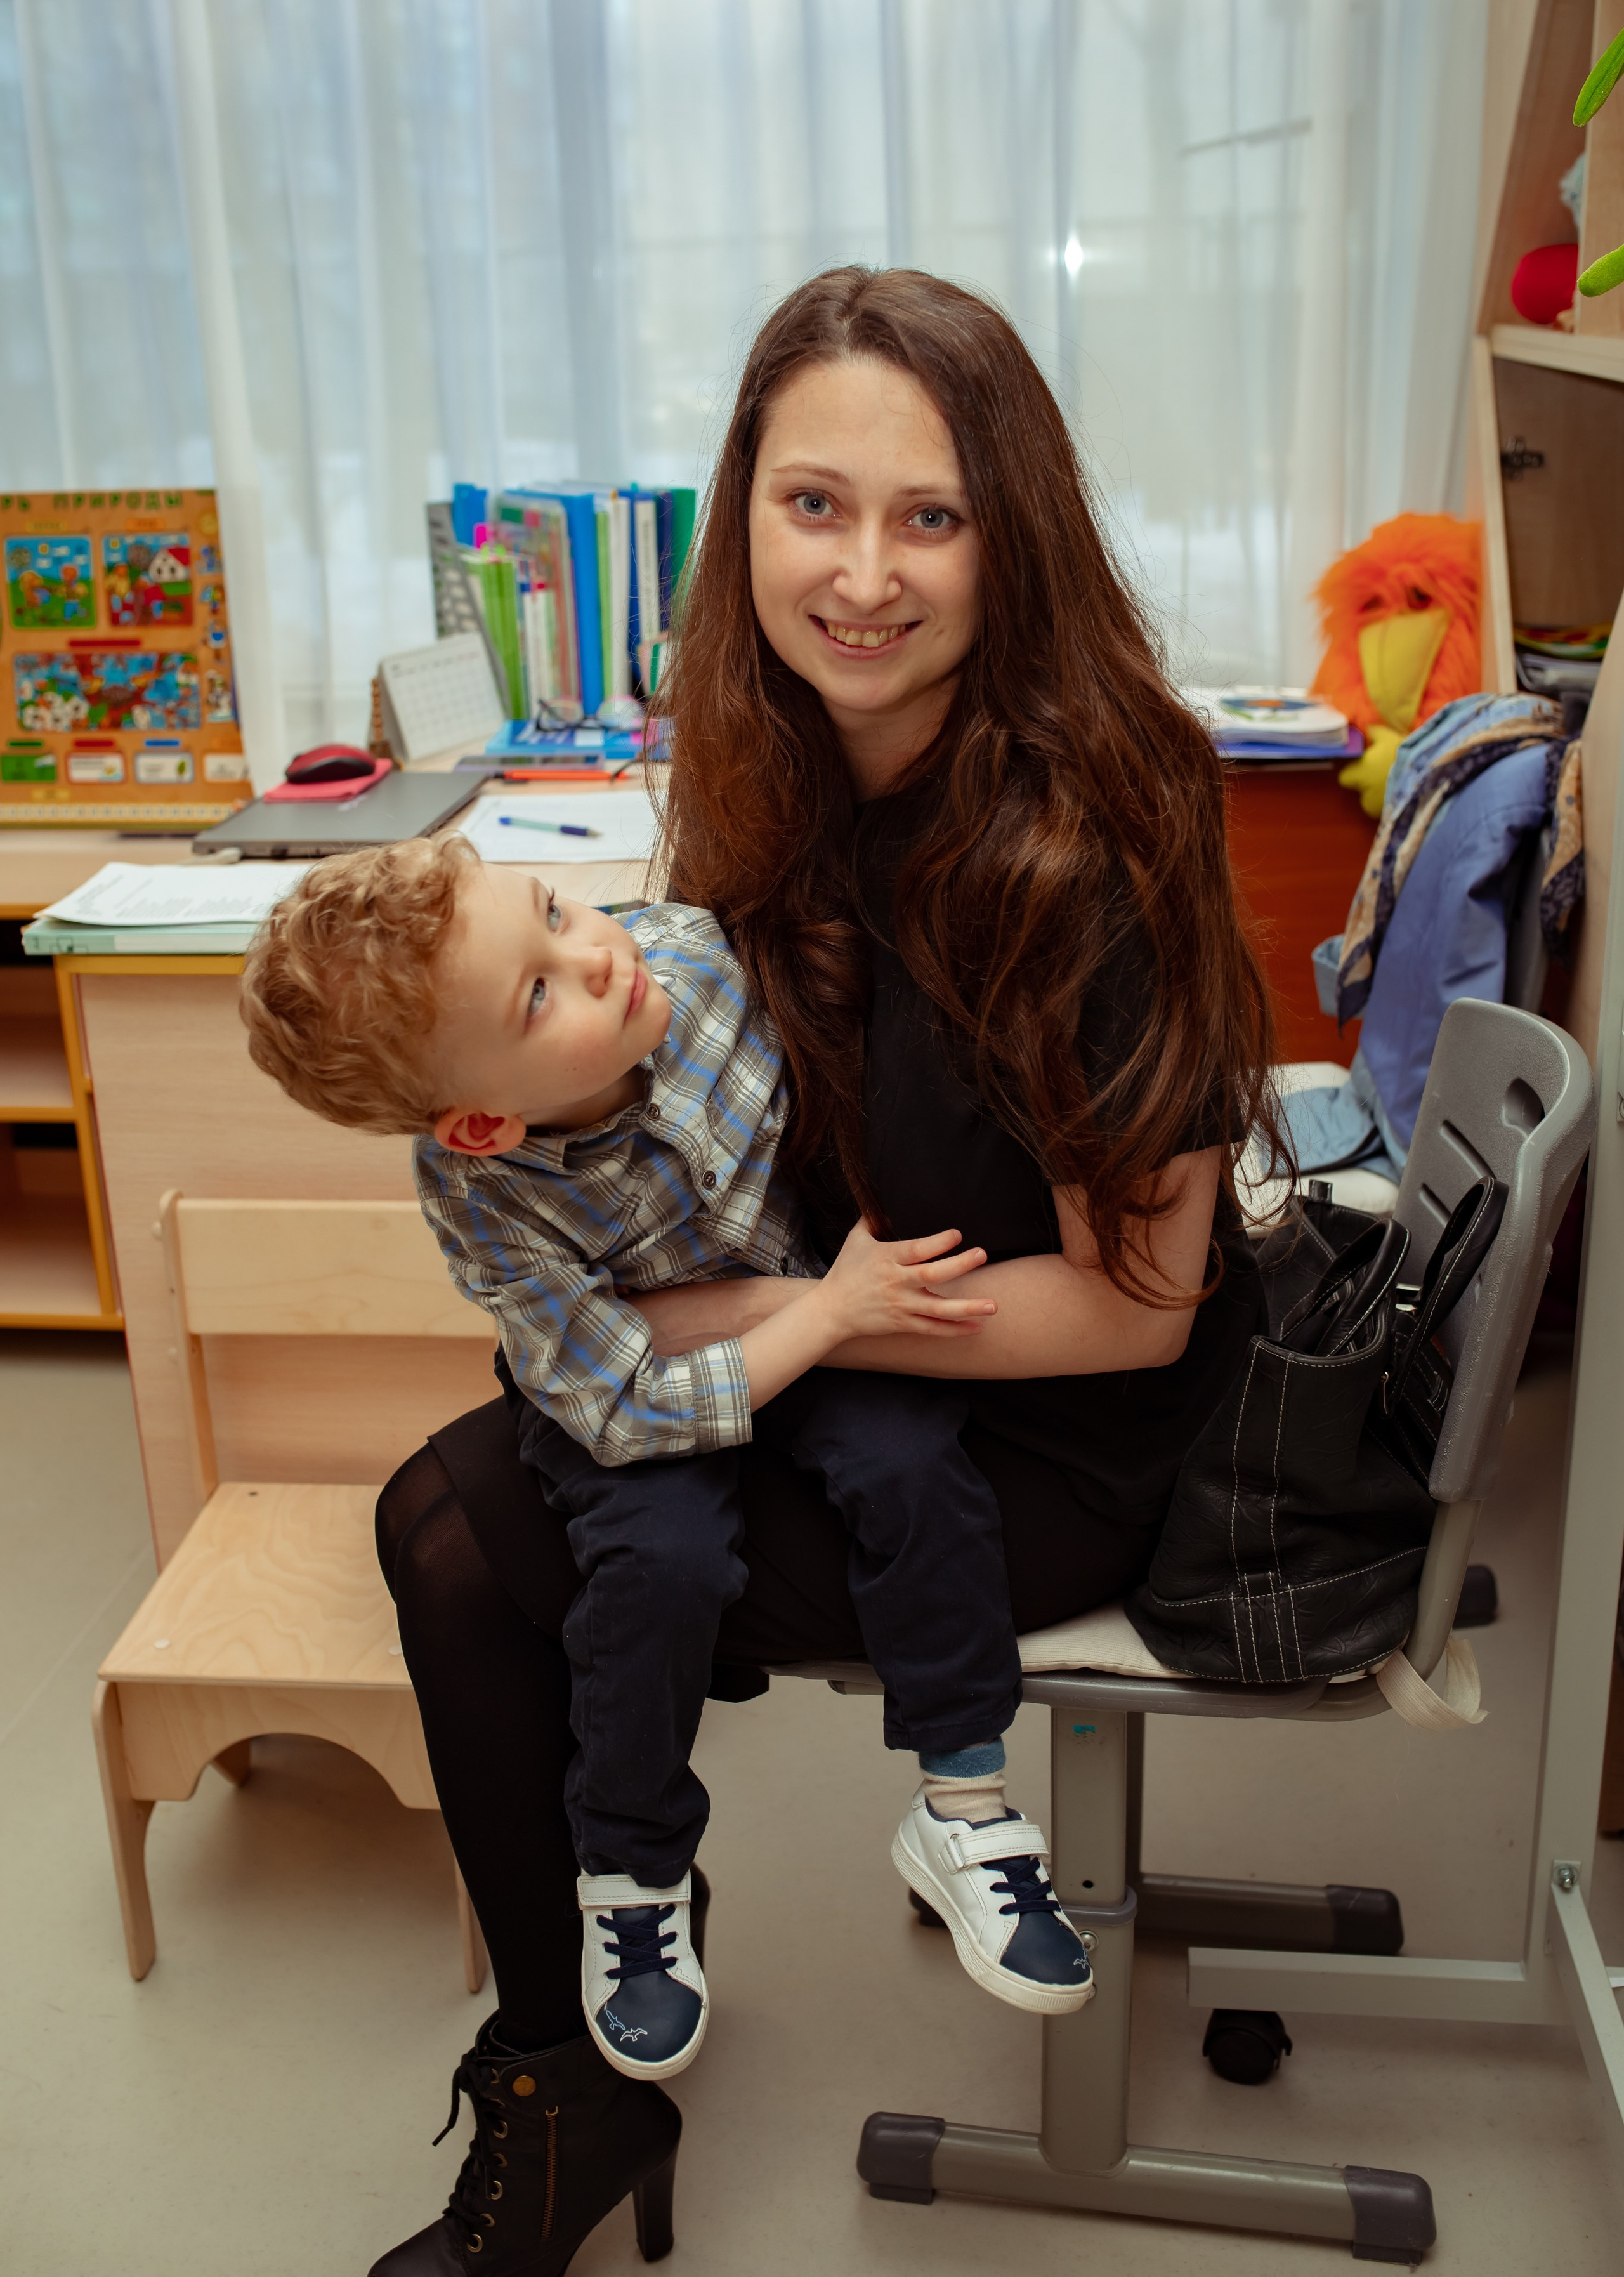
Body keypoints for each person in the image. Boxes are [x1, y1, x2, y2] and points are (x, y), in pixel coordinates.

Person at [361, 265, 1277, 2277]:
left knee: (456, 1532)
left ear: (1008, 534)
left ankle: (567, 2092)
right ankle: (589, 2036)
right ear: (743, 515)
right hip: (853, 1356)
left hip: (1047, 1435)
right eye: (814, 505)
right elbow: (711, 1156)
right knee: (472, 1497)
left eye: (929, 517)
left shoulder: (1102, 826)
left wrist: (705, 1335)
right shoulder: (766, 766)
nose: (863, 574)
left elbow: (1140, 1302)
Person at [241, 846, 1095, 2094]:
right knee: (659, 1559)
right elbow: (628, 1395)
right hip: (624, 1394)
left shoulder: (686, 960)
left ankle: (963, 1805)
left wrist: (827, 1314)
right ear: (482, 1120)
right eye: (540, 992)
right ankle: (633, 1877)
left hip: (797, 1313)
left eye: (553, 909)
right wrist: (830, 1311)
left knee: (910, 1460)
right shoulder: (479, 1192)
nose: (594, 951)